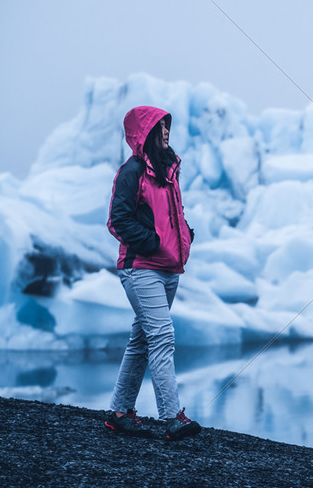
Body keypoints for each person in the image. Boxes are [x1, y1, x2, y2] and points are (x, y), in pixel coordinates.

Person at [104, 105, 201, 441]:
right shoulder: (132, 172)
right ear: (143, 133)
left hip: (168, 268)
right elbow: (118, 220)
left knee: (142, 340)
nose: (165, 132)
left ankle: (120, 413)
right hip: (141, 268)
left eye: (167, 127)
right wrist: (153, 242)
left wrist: (184, 234)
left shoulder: (168, 170)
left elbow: (174, 212)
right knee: (162, 337)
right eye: (159, 127)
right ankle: (172, 417)